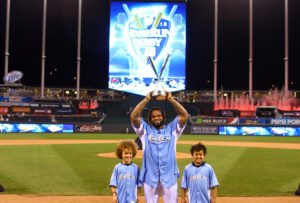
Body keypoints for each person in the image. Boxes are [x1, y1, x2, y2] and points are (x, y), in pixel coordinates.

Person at [130, 91, 189, 203]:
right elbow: (134, 116)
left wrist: (171, 99)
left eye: (159, 115)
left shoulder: (172, 130)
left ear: (163, 117)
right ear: (150, 119)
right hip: (150, 178)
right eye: (153, 116)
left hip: (169, 177)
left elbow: (184, 115)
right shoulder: (145, 131)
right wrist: (146, 99)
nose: (156, 118)